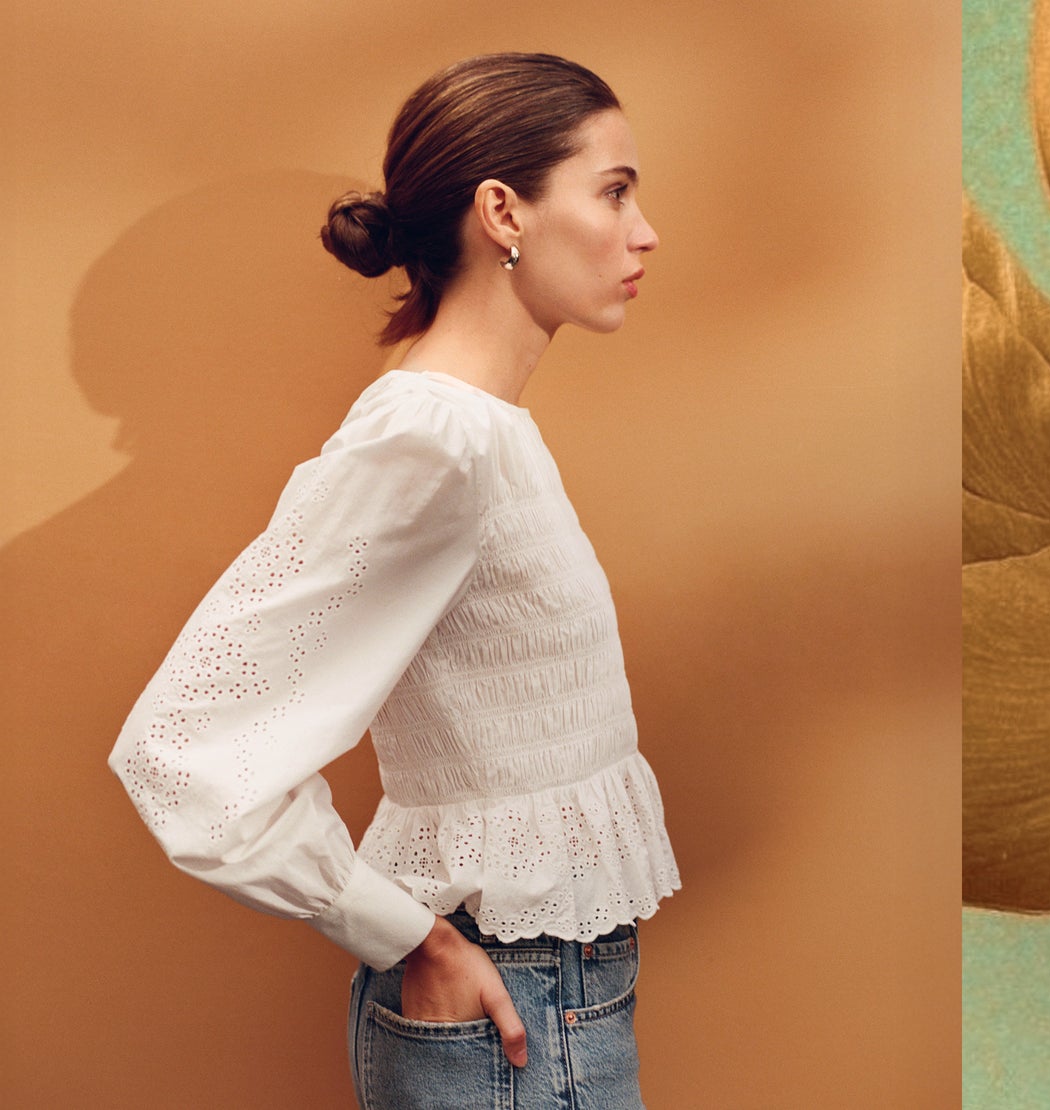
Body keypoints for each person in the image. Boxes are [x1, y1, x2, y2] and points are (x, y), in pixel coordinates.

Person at [108, 53, 675, 1107]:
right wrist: (406, 936)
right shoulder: (434, 437)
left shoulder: (478, 428)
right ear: (503, 210)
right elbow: (178, 750)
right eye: (613, 190)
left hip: (545, 991)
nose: (643, 232)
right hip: (513, 1004)